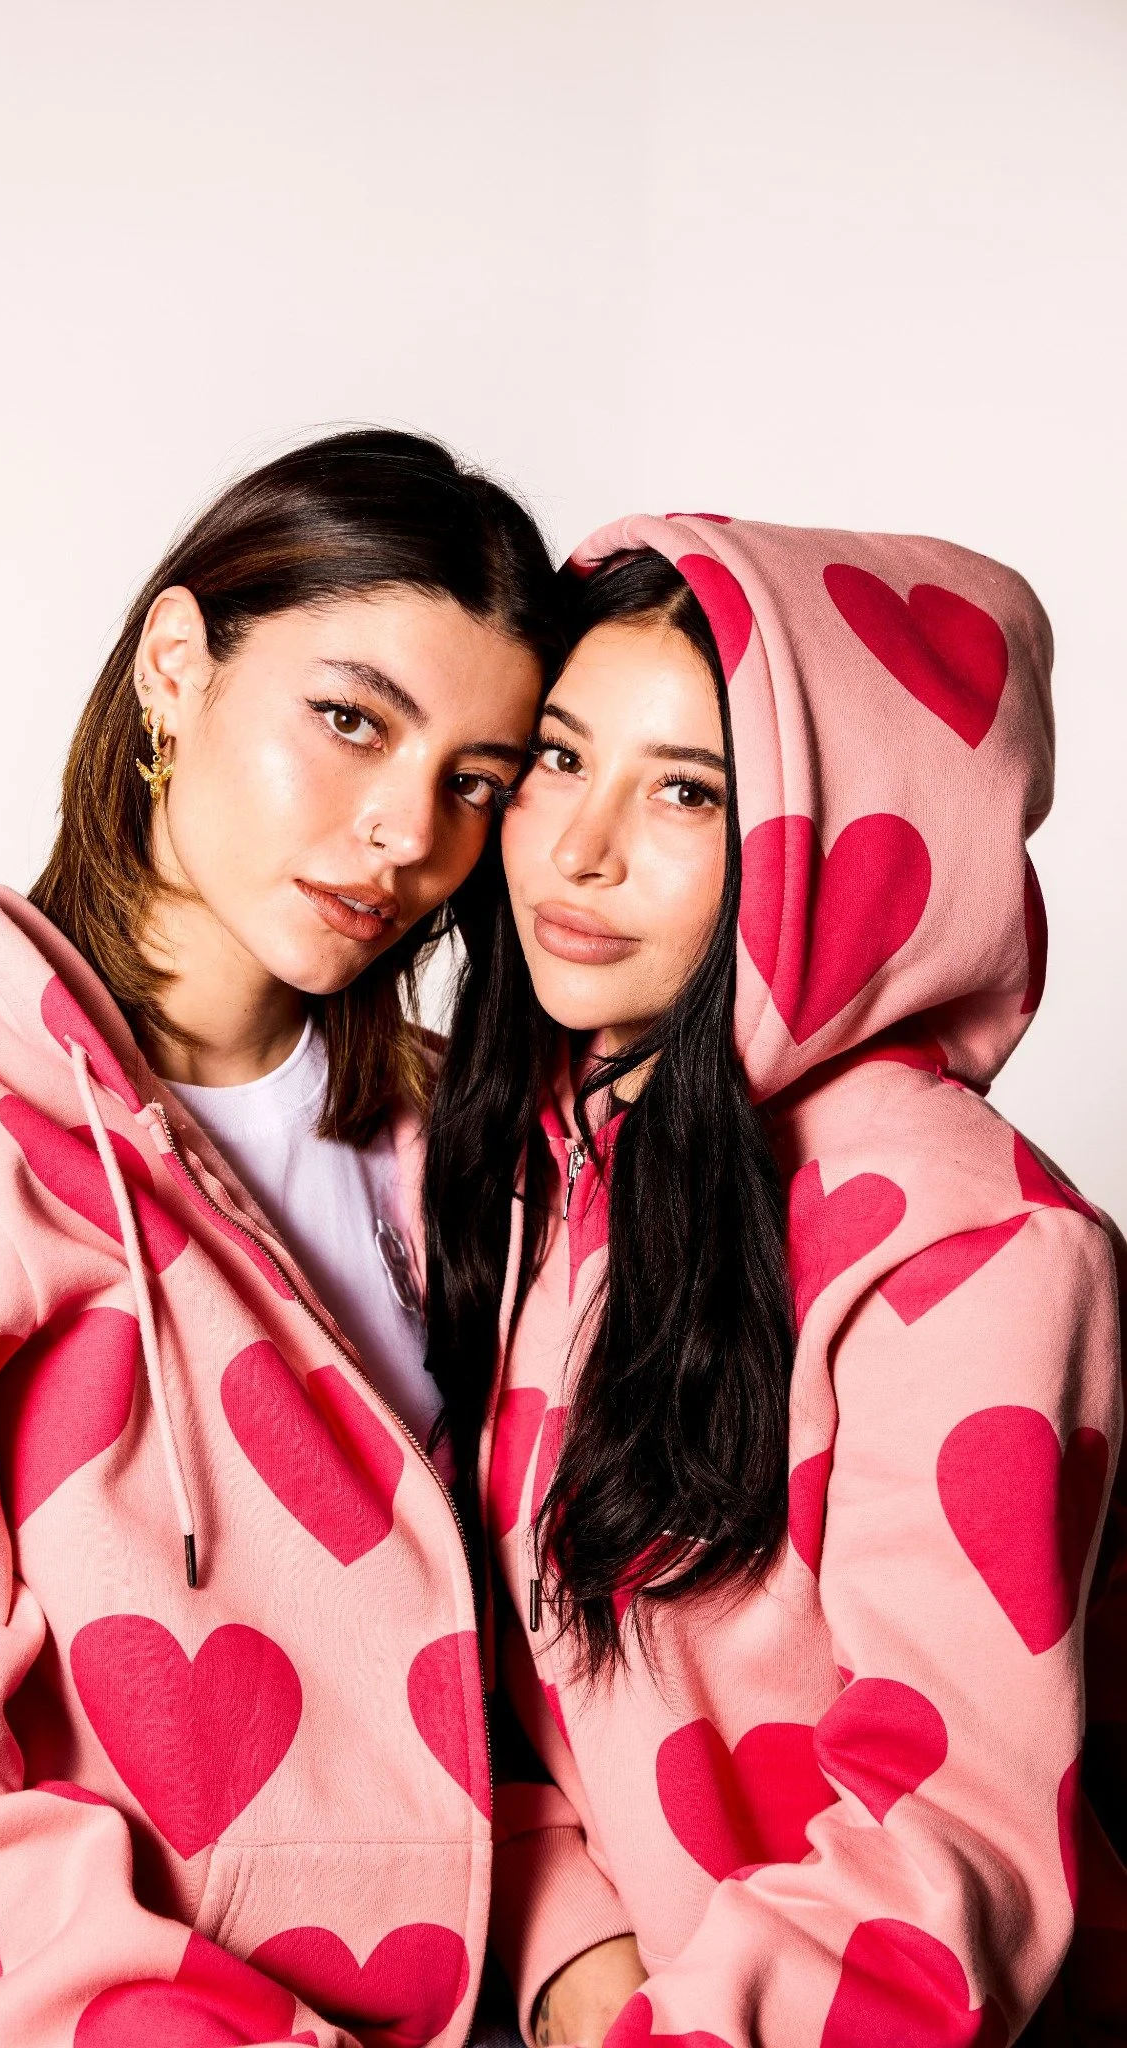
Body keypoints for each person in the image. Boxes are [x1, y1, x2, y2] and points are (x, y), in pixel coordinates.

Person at [0, 429, 563, 2048]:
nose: (405, 833)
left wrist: (586, 1973)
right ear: (178, 668)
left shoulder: (460, 1146)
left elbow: (512, 1674)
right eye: (349, 721)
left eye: (471, 782)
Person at [423, 516, 1127, 2046]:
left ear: (848, 845)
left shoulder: (968, 1247)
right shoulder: (555, 1162)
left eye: (686, 791)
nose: (579, 844)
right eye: (557, 758)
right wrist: (570, 1964)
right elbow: (506, 1696)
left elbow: (953, 1857)